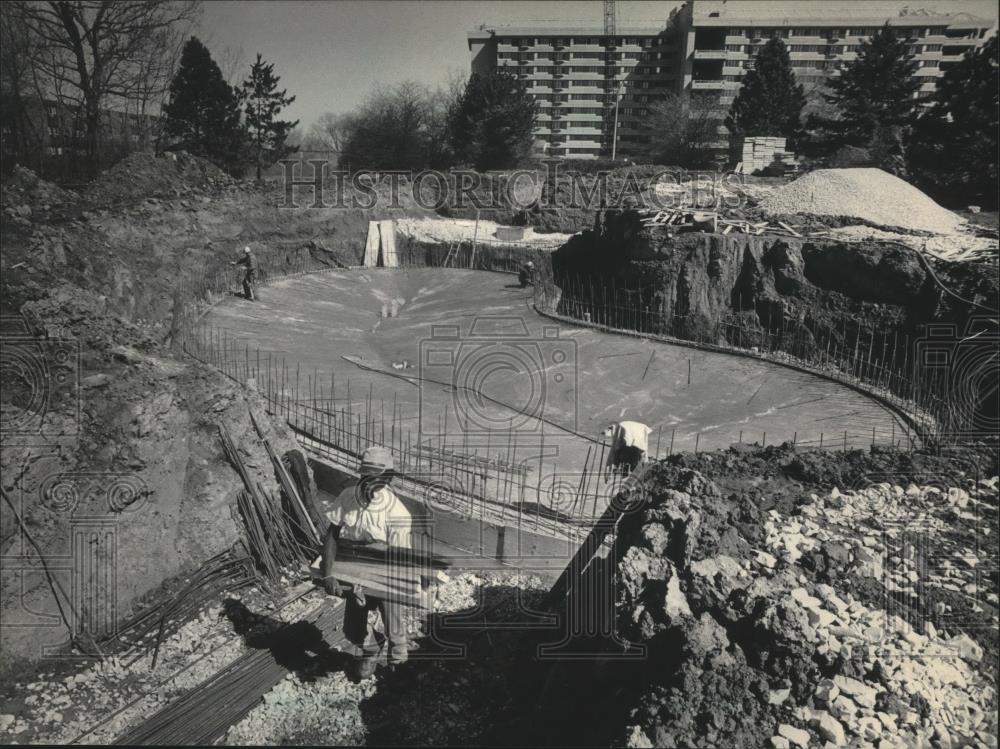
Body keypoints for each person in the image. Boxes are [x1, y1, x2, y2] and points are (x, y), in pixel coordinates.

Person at [320, 446, 414, 679]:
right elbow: (332, 534)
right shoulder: (347, 497)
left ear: (388, 478)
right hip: (353, 571)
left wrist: (385, 588)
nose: (367, 483)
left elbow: (400, 561)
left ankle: (397, 669)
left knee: (395, 629)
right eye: (364, 476)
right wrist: (328, 573)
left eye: (375, 478)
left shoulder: (398, 514)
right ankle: (372, 649)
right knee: (352, 630)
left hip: (387, 574)